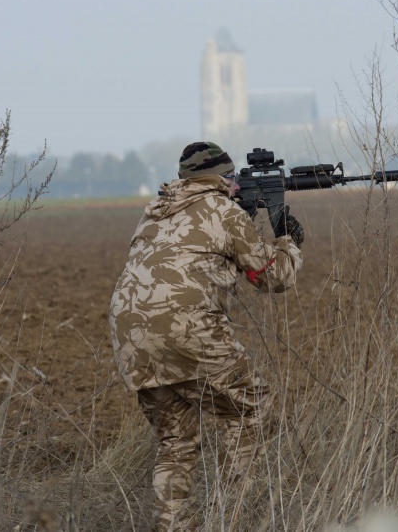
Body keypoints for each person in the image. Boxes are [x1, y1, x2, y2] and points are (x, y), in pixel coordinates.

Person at [109, 141, 304, 531]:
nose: (235, 187)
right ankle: (239, 516)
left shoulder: (154, 214)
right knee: (251, 408)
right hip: (188, 328)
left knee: (175, 444)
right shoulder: (223, 210)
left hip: (131, 337)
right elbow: (271, 277)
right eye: (231, 180)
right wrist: (288, 240)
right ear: (221, 180)